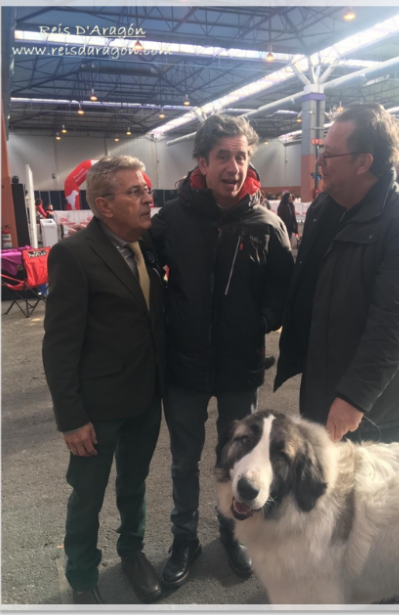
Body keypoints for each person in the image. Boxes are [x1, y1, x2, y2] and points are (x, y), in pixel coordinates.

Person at [151, 114, 293, 587]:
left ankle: (235, 534)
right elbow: (147, 281)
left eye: (241, 156)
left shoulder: (267, 224)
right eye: (223, 157)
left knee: (236, 459)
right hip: (184, 368)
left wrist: (257, 321)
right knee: (184, 459)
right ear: (202, 162)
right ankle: (184, 538)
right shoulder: (170, 220)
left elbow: (282, 291)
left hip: (239, 368)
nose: (233, 166)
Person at [276, 103, 399, 445]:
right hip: (320, 390)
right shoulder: (325, 208)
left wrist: (353, 399)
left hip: (369, 412)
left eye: (330, 155)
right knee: (321, 494)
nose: (319, 162)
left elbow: (396, 325)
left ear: (363, 161)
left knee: (372, 498)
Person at [42, 156, 166, 605]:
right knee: (88, 496)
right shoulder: (73, 255)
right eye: (135, 191)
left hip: (145, 398)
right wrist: (71, 418)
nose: (147, 197)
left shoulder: (146, 246)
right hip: (95, 410)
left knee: (134, 485)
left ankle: (131, 553)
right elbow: (58, 345)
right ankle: (81, 574)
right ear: (103, 205)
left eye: (146, 189)